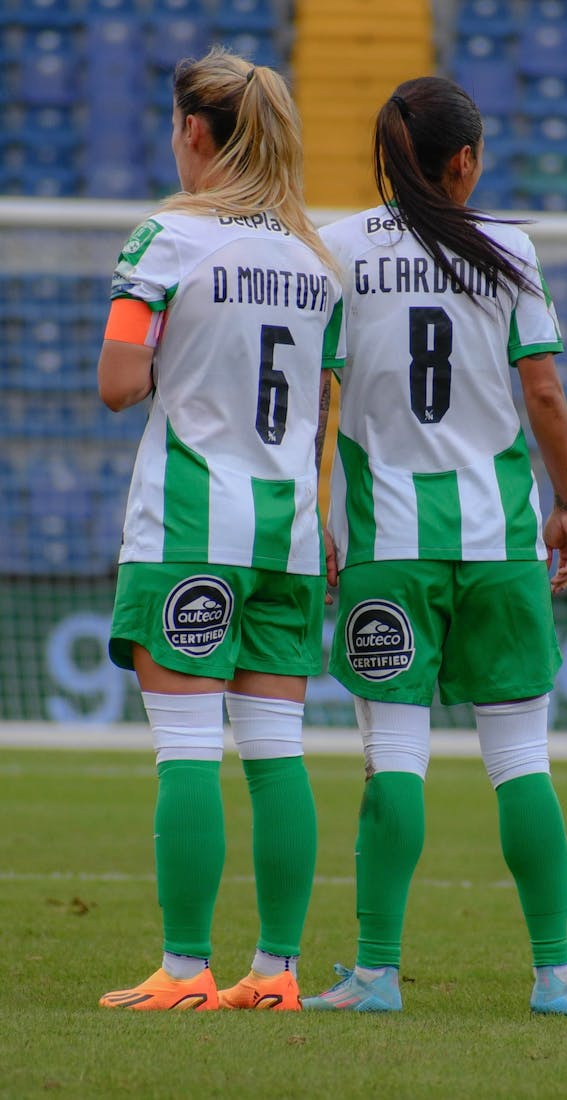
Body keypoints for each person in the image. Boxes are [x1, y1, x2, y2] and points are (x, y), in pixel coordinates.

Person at [302, 76, 567, 1016]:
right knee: (521, 761)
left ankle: (376, 975)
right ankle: (555, 977)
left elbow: (321, 397)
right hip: (500, 546)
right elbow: (546, 395)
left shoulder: (341, 249)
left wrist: (315, 515)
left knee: (393, 759)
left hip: (387, 544)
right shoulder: (509, 250)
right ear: (465, 160)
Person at [96, 47, 344, 1012]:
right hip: (288, 528)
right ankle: (278, 971)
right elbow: (323, 404)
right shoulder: (313, 256)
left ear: (193, 132)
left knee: (189, 746)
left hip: (192, 526)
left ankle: (186, 969)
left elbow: (119, 383)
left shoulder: (168, 237)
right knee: (278, 751)